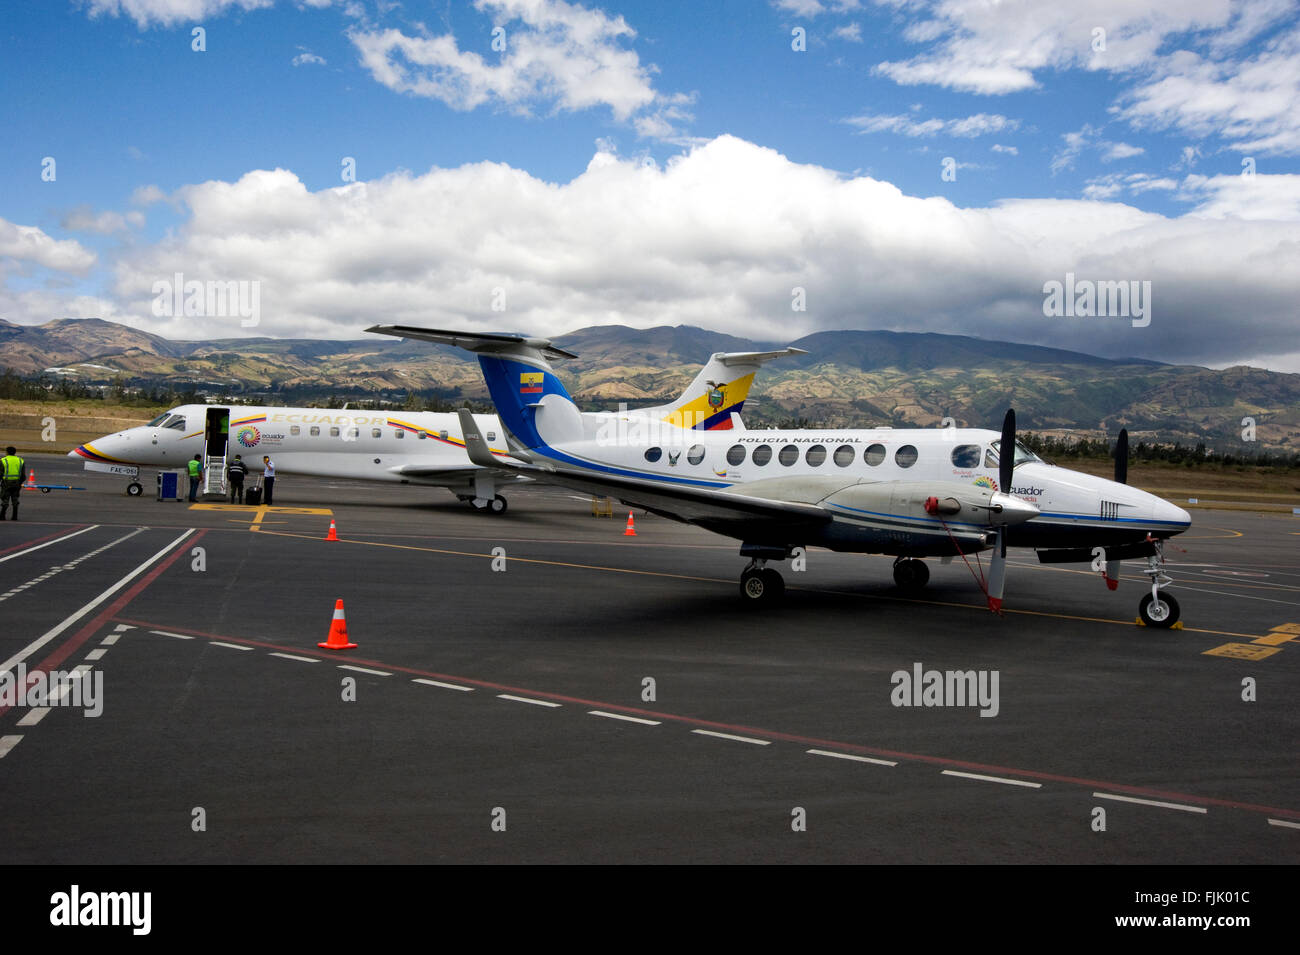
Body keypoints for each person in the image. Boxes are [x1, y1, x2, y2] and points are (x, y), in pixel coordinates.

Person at [1, 445, 26, 520]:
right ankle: (14, 516)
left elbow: (0, 473)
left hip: (6, 483)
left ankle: (2, 515)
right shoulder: (20, 460)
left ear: (7, 452)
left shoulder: (3, 460)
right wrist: (19, 482)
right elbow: (23, 475)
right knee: (15, 499)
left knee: (5, 499)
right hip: (17, 483)